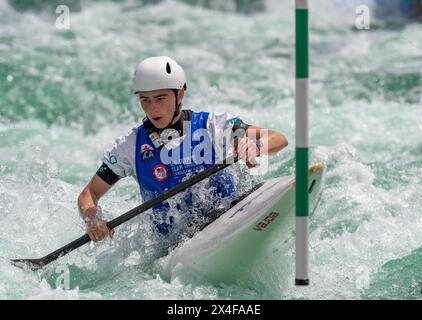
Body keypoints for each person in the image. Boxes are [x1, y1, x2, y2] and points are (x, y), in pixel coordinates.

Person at [77, 56, 288, 243]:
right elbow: (89, 193)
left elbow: (278, 138)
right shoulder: (129, 147)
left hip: (230, 216)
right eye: (145, 100)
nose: (152, 108)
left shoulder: (213, 125)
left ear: (180, 95)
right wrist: (92, 219)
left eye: (160, 98)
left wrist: (255, 147)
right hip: (177, 245)